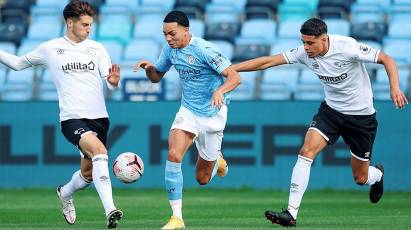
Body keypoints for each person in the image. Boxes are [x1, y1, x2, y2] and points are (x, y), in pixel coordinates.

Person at [231, 18, 408, 227]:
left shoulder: (348, 47)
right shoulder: (304, 53)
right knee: (306, 152)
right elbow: (268, 61)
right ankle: (291, 213)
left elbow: (387, 59)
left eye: (310, 43)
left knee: (361, 178)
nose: (306, 48)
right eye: (303, 42)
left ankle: (377, 175)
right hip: (331, 113)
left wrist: (395, 88)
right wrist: (232, 68)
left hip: (361, 118)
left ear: (324, 39)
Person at [0, 1, 123, 229]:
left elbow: (111, 82)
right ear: (70, 22)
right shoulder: (51, 48)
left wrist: (114, 82)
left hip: (99, 118)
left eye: (90, 25)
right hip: (72, 118)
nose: (89, 29)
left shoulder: (97, 49)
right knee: (100, 151)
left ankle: (65, 193)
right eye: (85, 25)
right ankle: (110, 210)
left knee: (87, 175)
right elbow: (17, 64)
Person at [134, 10, 241, 230]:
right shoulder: (170, 50)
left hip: (214, 113)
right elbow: (156, 77)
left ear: (186, 30)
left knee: (202, 179)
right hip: (188, 111)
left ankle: (217, 159)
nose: (168, 38)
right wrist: (148, 69)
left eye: (172, 33)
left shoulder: (205, 49)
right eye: (165, 34)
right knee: (173, 155)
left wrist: (220, 91)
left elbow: (235, 76)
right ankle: (177, 218)